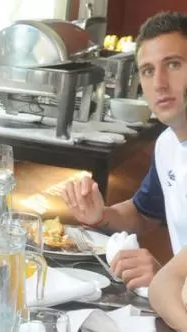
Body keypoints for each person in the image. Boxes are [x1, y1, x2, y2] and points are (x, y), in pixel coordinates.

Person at [61, 11, 187, 290]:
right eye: (148, 71)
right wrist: (101, 215)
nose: (159, 83)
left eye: (174, 64)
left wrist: (166, 283)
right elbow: (143, 214)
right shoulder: (168, 145)